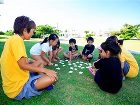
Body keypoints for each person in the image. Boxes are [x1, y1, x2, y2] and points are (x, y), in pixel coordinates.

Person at [0, 16, 58, 100]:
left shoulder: (13, 39)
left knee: (40, 63)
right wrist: (45, 70)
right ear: (24, 30)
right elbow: (23, 65)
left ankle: (40, 79)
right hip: (17, 89)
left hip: (15, 79)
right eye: (33, 31)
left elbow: (17, 60)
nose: (33, 33)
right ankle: (39, 82)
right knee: (53, 77)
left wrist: (30, 60)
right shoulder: (17, 40)